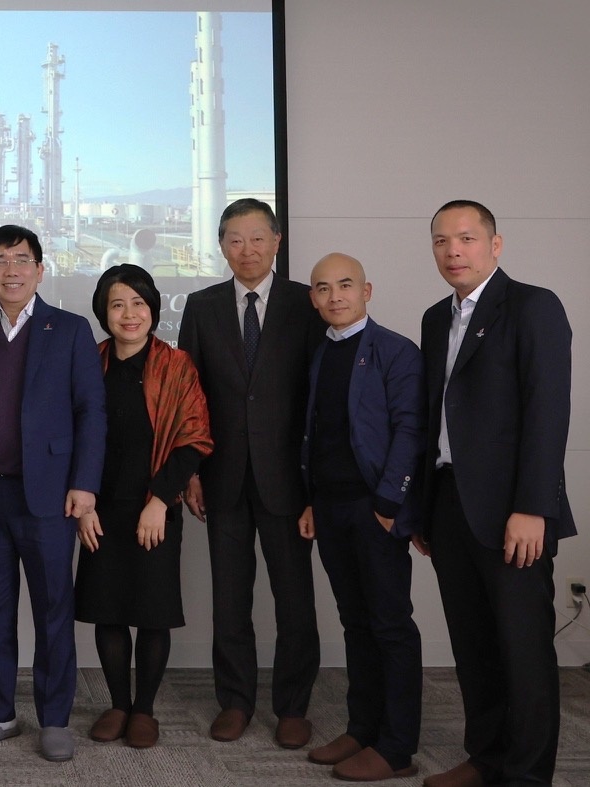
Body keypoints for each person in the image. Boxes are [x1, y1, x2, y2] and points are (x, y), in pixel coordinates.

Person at [418, 200, 574, 787]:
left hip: (514, 509)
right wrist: (423, 510)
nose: (453, 251)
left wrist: (533, 507)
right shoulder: (435, 318)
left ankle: (527, 776)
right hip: (449, 502)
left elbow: (547, 413)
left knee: (523, 651)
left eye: (465, 238)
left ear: (495, 244)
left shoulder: (533, 306)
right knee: (473, 644)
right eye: (441, 241)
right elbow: (434, 416)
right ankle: (486, 758)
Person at [0, 224, 106, 762]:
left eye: (20, 259)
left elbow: (91, 412)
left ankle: (55, 718)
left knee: (53, 609)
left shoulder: (71, 329)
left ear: (39, 269)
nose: (10, 270)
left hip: (51, 497)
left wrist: (85, 484)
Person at [177, 198, 325, 748]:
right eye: (235, 240)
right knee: (230, 600)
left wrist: (316, 485)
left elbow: (319, 397)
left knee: (295, 601)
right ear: (221, 246)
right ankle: (235, 702)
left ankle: (292, 706)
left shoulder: (306, 303)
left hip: (289, 480)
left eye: (258, 238)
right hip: (224, 477)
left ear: (277, 241)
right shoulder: (201, 306)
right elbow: (189, 397)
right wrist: (191, 471)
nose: (247, 250)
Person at [296, 253, 424, 781]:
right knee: (355, 623)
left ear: (366, 291)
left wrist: (389, 505)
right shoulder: (320, 353)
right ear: (313, 299)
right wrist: (311, 500)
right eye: (323, 288)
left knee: (390, 625)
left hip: (376, 511)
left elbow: (411, 430)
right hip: (330, 508)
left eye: (345, 285)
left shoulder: (396, 351)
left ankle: (396, 747)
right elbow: (318, 435)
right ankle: (362, 728)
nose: (335, 297)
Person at [76, 264, 213, 750]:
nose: (129, 314)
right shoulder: (89, 363)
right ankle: (118, 704)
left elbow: (194, 438)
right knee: (108, 609)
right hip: (99, 508)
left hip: (155, 506)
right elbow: (69, 436)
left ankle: (144, 709)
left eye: (138, 303)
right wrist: (82, 504)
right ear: (103, 313)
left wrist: (158, 500)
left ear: (153, 309)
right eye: (117, 305)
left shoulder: (176, 365)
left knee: (152, 612)